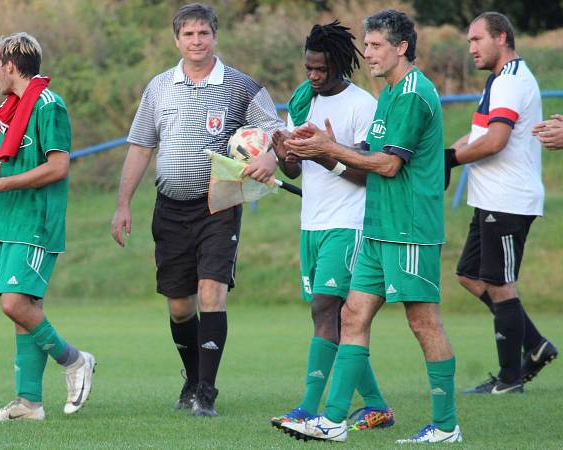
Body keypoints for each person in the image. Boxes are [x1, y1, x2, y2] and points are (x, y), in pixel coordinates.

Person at [281, 10, 462, 443]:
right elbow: (366, 149)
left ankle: (446, 425)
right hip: (379, 229)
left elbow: (386, 162)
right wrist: (319, 148)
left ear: (401, 48)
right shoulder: (389, 94)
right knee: (352, 314)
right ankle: (334, 420)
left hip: (410, 229)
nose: (368, 53)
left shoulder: (415, 95)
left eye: (376, 45)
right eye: (366, 45)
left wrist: (330, 148)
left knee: (424, 325)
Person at [110, 3, 282, 417]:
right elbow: (140, 147)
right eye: (188, 35)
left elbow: (276, 130)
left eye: (203, 33)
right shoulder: (159, 87)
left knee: (211, 294)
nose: (196, 41)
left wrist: (271, 157)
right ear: (177, 40)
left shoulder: (240, 86)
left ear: (215, 37)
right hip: (169, 207)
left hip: (218, 205)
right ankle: (191, 378)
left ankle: (206, 391)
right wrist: (122, 205)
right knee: (179, 305)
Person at [0, 32, 95, 422]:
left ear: (11, 66)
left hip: (36, 221)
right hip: (12, 220)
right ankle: (29, 403)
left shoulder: (49, 106)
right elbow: (17, 161)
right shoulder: (14, 107)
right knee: (24, 309)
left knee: (14, 304)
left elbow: (57, 167)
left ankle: (74, 360)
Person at [268, 21, 394, 433]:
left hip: (349, 223)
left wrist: (327, 154)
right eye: (308, 68)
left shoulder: (363, 106)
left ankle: (307, 408)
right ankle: (376, 406)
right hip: (313, 224)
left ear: (340, 64)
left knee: (326, 307)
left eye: (321, 69)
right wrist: (284, 152)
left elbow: (365, 173)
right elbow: (296, 168)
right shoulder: (303, 98)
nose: (313, 76)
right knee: (330, 316)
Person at [447, 12, 556, 394]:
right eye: (469, 42)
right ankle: (536, 344)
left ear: (502, 38)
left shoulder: (510, 82)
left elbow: (495, 142)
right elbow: (478, 133)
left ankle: (510, 379)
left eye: (477, 40)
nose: (471, 48)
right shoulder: (498, 81)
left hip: (509, 200)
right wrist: (447, 154)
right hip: (490, 198)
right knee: (469, 275)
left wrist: (453, 160)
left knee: (500, 284)